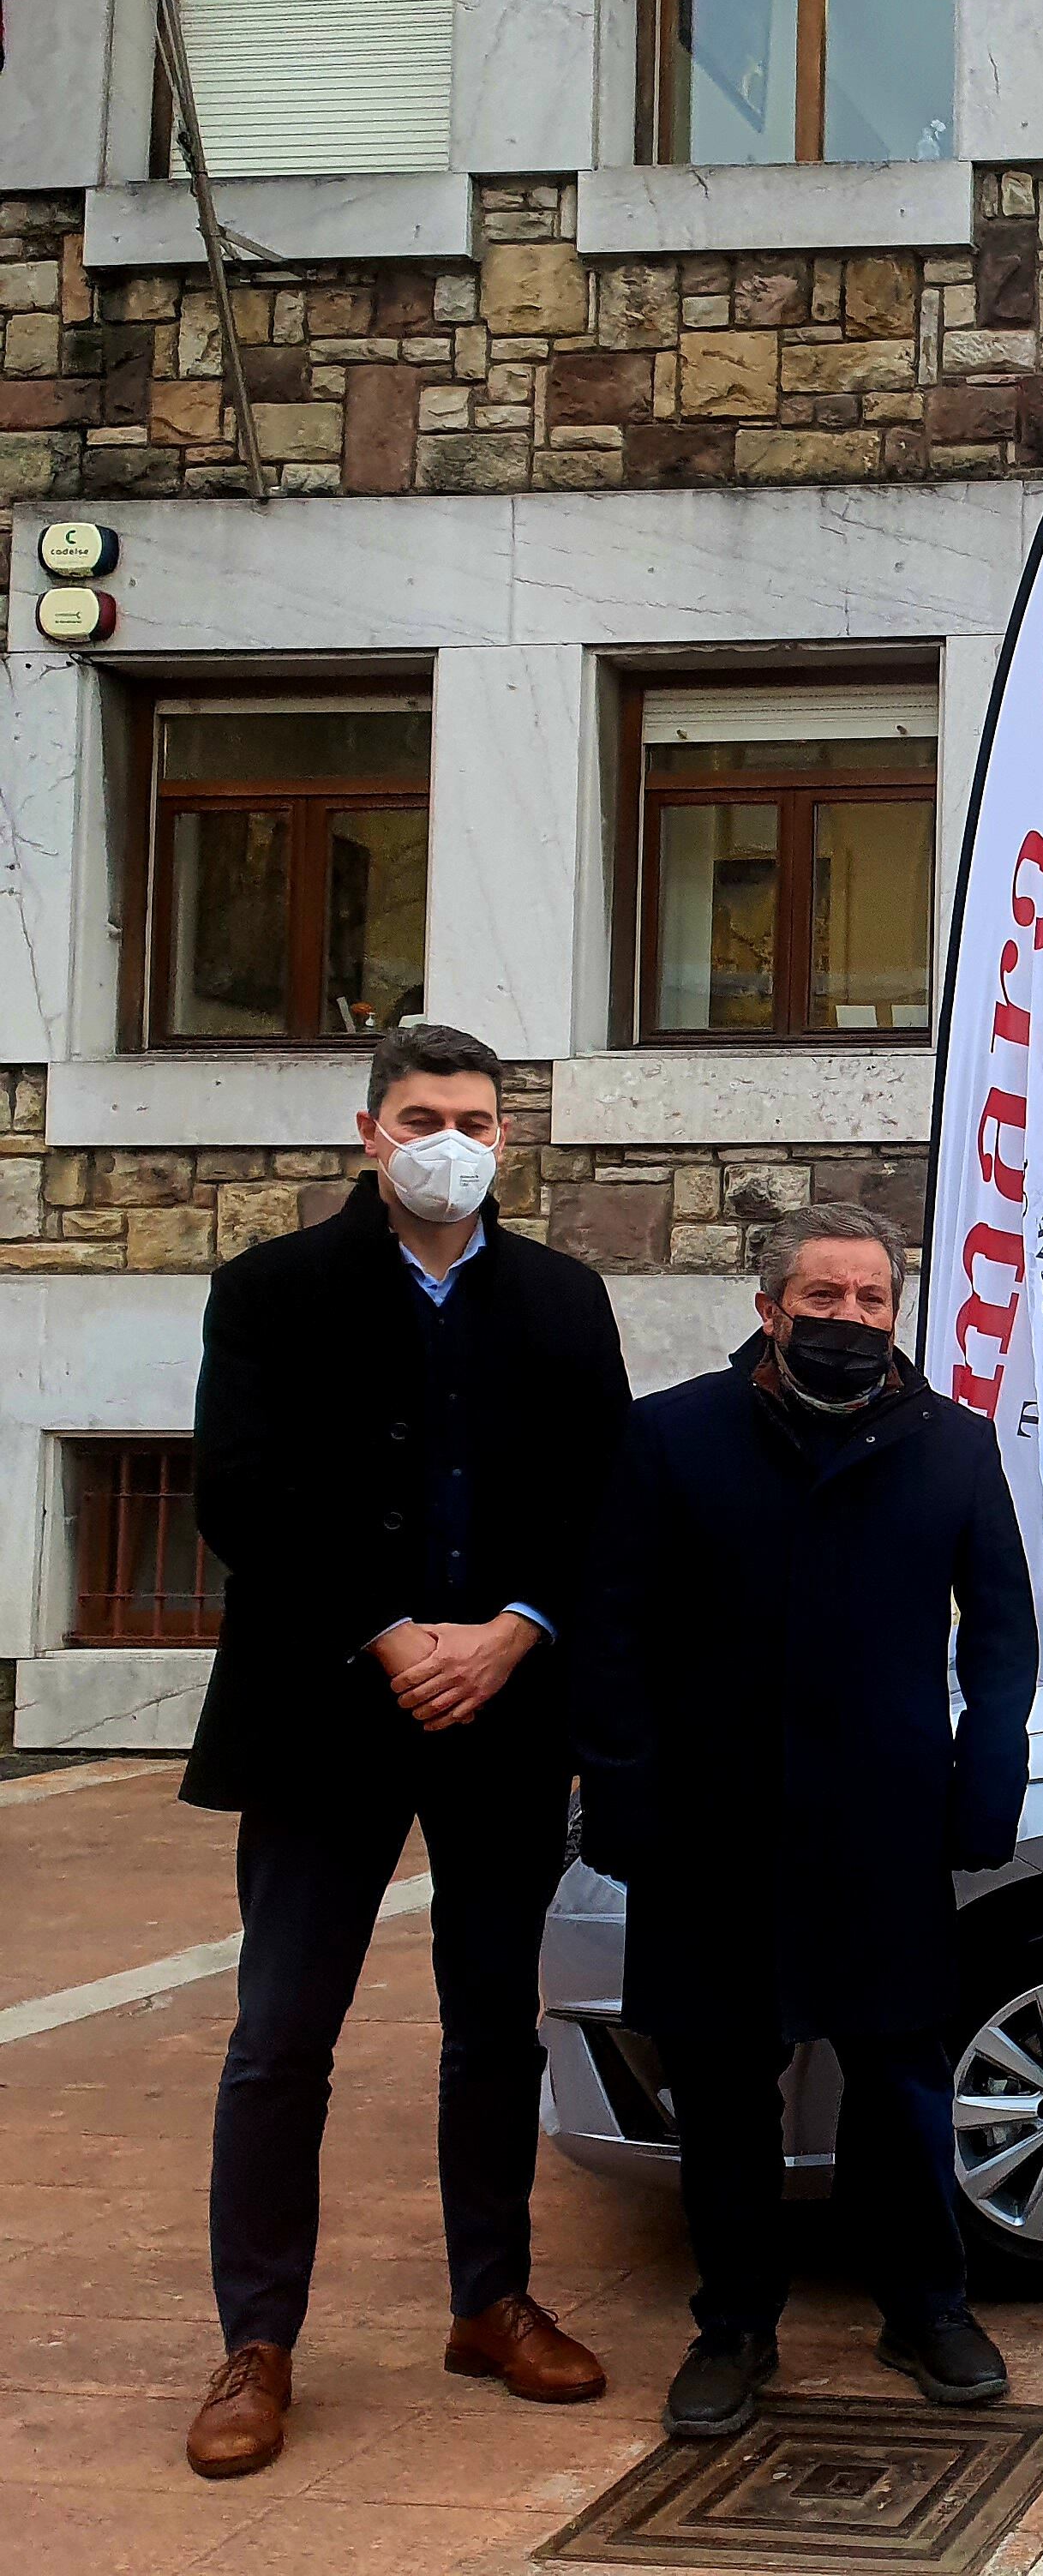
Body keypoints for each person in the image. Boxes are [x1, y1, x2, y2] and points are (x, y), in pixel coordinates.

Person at [182, 1024, 631, 2480]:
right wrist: (388, 1630)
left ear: (510, 1138)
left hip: (503, 1711)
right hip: (325, 1710)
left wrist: (512, 1628)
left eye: (481, 1117)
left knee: (494, 2019)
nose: (455, 1137)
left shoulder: (564, 1298)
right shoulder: (271, 1290)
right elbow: (245, 1495)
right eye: (426, 1113)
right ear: (369, 1130)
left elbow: (599, 1494)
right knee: (280, 2034)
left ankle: (490, 2298)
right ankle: (257, 2337)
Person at [574, 1204, 1034, 2438]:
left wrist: (988, 1785)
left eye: (871, 1301)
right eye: (822, 1299)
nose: (848, 1321)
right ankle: (733, 2326)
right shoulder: (669, 1437)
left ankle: (928, 2307)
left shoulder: (953, 1445)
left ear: (898, 1314)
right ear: (769, 1308)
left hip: (882, 1824)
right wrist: (620, 1794)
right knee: (723, 2095)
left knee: (900, 2083)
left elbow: (1000, 1634)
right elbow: (612, 1632)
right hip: (709, 1831)